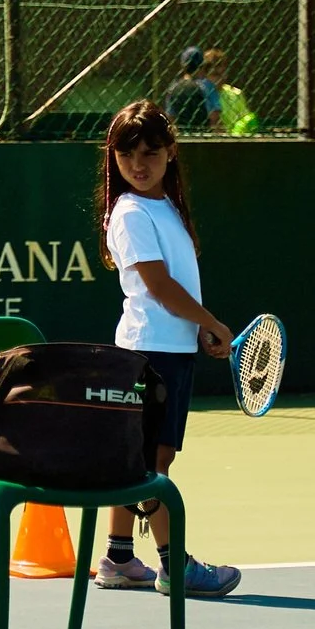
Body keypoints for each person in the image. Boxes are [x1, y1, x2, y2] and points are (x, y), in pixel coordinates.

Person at [96, 100, 240, 600]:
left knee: (136, 460)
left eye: (150, 153)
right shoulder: (130, 213)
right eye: (127, 153)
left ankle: (117, 558)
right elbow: (158, 287)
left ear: (171, 153)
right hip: (147, 356)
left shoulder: (167, 208)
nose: (139, 164)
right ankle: (173, 565)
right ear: (113, 158)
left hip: (169, 350)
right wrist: (211, 321)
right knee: (152, 465)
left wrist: (196, 329)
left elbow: (178, 287)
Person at [203, 47, 257, 136]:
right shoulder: (199, 95)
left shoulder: (235, 94)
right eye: (215, 75)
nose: (220, 79)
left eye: (222, 73)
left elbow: (244, 120)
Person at [161, 46, 211, 133]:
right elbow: (213, 115)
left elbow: (170, 117)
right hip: (204, 134)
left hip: (182, 135)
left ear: (183, 66)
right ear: (202, 66)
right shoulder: (206, 86)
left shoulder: (174, 88)